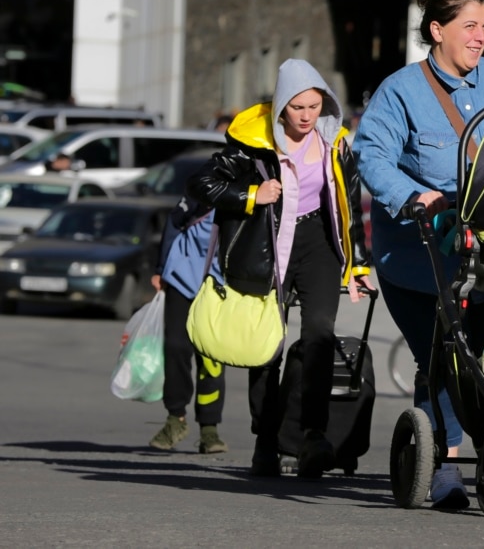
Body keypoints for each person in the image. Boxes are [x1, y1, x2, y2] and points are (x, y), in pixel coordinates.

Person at [352, 0, 484, 509]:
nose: (481, 37)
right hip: (417, 256)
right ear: (438, 30)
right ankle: (445, 466)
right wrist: (416, 197)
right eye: (469, 27)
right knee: (441, 355)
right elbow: (373, 157)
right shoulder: (401, 90)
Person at [188, 58, 373, 479]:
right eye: (297, 108)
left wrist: (357, 265)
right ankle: (265, 440)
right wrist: (253, 193)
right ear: (280, 108)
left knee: (320, 336)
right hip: (270, 248)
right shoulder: (252, 144)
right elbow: (201, 184)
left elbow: (347, 208)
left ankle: (313, 434)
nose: (307, 116)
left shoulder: (336, 142)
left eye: (314, 106)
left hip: (319, 245)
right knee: (267, 347)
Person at [147, 199, 226, 455]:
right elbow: (173, 224)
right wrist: (160, 268)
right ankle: (175, 418)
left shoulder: (250, 191)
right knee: (176, 348)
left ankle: (209, 429)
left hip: (220, 284)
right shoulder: (198, 189)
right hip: (182, 277)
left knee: (211, 359)